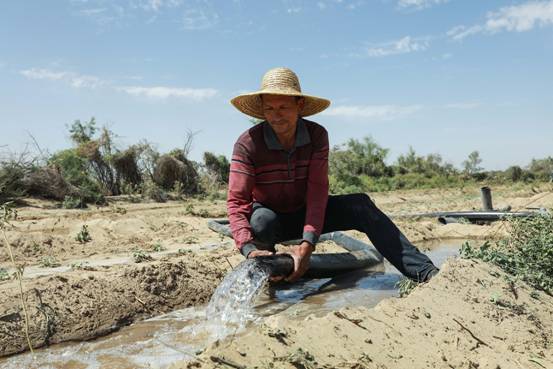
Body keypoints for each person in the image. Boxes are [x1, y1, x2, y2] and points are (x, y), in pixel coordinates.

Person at [227, 67, 438, 283]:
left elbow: (317, 195)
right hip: (271, 218)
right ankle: (270, 273)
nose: (276, 115)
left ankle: (425, 273)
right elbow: (237, 201)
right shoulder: (248, 144)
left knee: (361, 205)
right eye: (269, 108)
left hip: (306, 210)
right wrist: (248, 249)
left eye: (283, 107)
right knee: (262, 221)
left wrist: (308, 244)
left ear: (299, 106)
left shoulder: (316, 135)